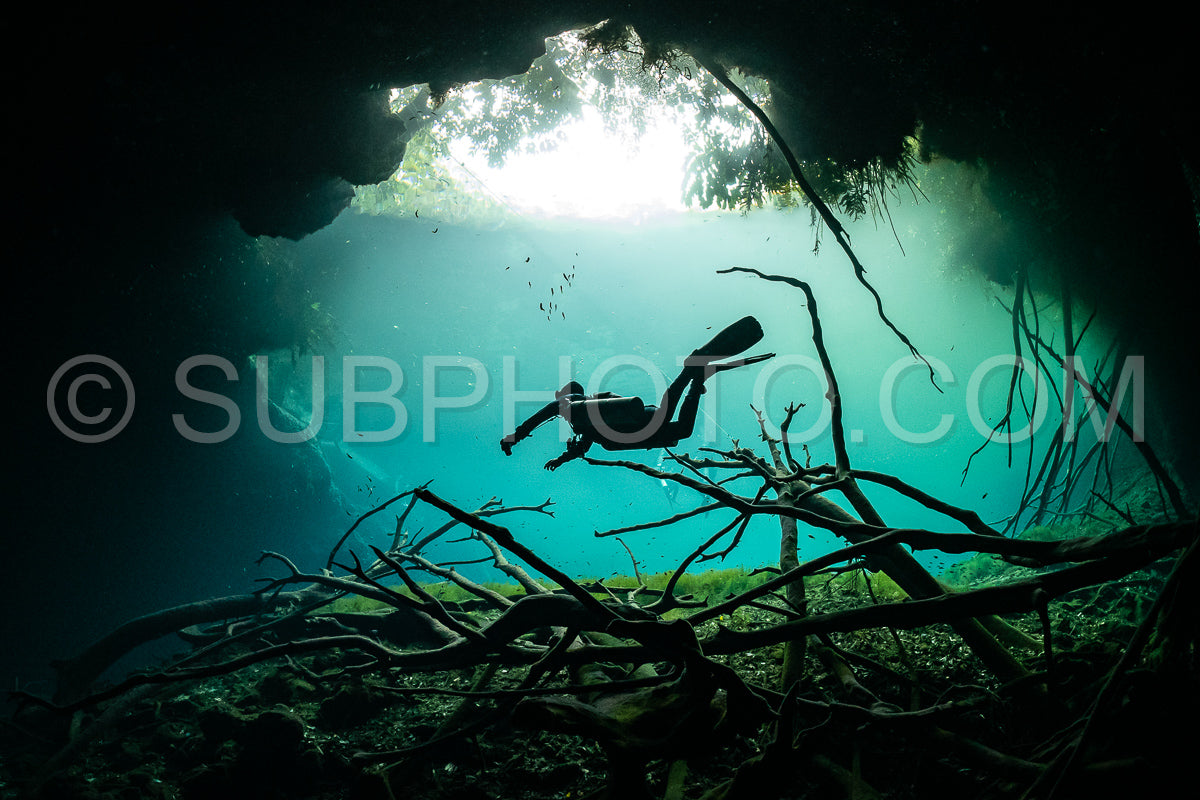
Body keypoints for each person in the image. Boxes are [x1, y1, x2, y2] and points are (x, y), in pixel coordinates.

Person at [501, 316, 774, 470]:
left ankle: (691, 368)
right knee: (682, 430)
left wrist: (516, 436)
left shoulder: (571, 404)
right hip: (634, 429)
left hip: (634, 420)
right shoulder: (583, 423)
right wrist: (561, 459)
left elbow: (542, 414)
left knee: (664, 416)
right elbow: (584, 445)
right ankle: (696, 378)